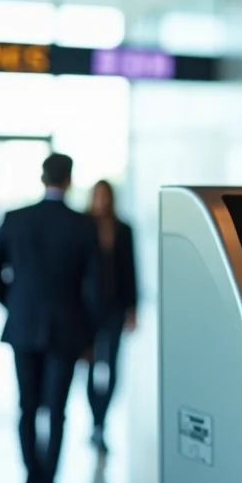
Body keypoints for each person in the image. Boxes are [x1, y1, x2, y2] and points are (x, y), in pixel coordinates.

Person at [0, 153, 100, 483]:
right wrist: (90, 333)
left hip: (23, 327)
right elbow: (95, 289)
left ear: (42, 178)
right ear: (68, 180)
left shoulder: (16, 219)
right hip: (67, 329)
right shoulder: (84, 225)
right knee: (58, 412)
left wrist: (14, 305)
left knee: (27, 408)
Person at [85, 180, 138, 455]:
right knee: (92, 366)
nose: (101, 200)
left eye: (105, 196)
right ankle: (94, 419)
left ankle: (100, 423)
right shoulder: (82, 226)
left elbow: (131, 270)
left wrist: (133, 308)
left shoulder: (124, 229)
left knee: (113, 367)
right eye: (97, 195)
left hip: (116, 307)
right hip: (89, 310)